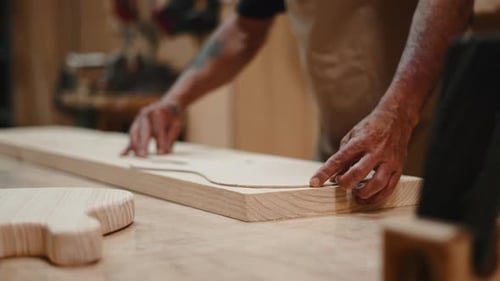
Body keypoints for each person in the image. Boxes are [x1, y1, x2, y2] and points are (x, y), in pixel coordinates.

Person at [122, 0, 473, 204]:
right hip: (342, 152)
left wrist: (399, 113)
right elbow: (246, 28)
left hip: (437, 143)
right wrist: (173, 101)